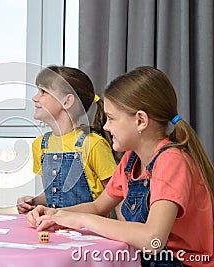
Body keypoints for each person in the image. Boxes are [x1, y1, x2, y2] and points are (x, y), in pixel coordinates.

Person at [27, 66, 214, 267]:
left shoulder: (172, 161)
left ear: (140, 121)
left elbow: (153, 240)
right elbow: (98, 206)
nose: (105, 126)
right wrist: (57, 215)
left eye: (112, 118)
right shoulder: (130, 160)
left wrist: (82, 221)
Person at [17, 65, 119, 214]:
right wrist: (33, 202)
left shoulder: (93, 144)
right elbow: (52, 195)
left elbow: (117, 196)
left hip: (89, 234)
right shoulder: (40, 145)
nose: (34, 98)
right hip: (54, 229)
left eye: (43, 92)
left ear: (67, 101)